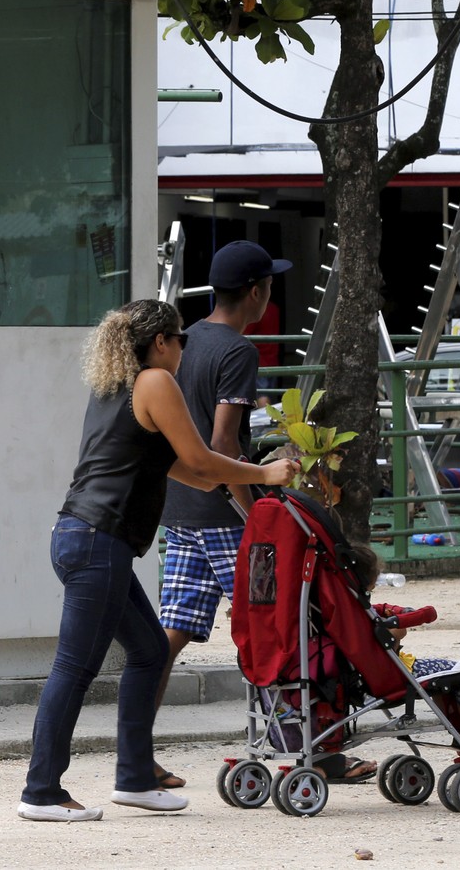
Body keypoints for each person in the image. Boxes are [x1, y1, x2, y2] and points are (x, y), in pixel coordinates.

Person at [17, 299, 302, 822]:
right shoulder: (154, 381)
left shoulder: (118, 386)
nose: (185, 351)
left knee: (149, 651)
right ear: (161, 342)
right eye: (181, 340)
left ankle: (135, 778)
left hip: (88, 538)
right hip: (98, 541)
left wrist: (249, 485)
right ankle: (41, 791)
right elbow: (198, 459)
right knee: (74, 669)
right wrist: (264, 475)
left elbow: (187, 471)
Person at [146, 242, 367, 785]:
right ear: (256, 292)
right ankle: (320, 751)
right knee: (283, 626)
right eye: (269, 285)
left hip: (178, 510)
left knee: (171, 633)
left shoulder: (185, 341)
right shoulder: (239, 352)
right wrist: (256, 513)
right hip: (224, 515)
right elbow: (225, 440)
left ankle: (137, 749)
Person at [348, 543, 460, 785]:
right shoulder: (360, 610)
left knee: (444, 678)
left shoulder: (341, 607)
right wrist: (399, 628)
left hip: (358, 678)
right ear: (370, 580)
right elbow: (393, 635)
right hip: (389, 676)